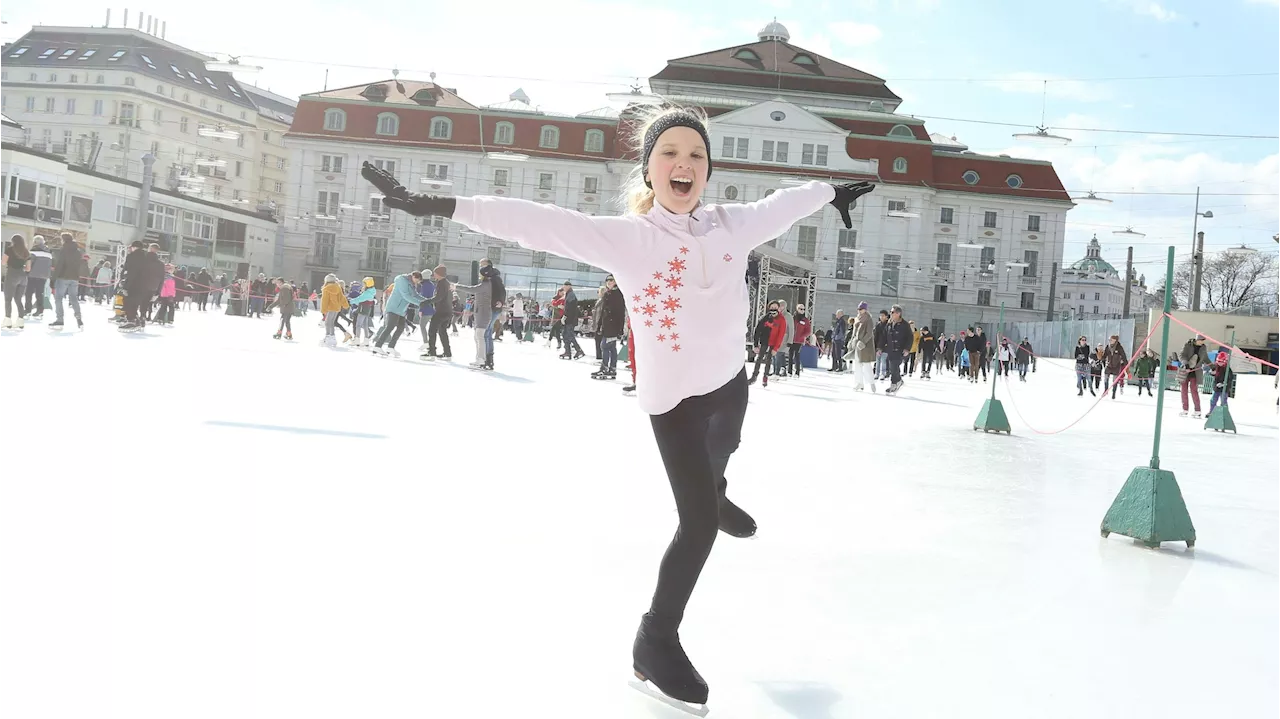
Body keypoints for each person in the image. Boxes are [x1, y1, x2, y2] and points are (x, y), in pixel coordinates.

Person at [360, 104, 876, 708]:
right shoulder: (628, 240)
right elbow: (537, 220)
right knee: (698, 527)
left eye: (696, 156)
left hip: (730, 383)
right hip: (675, 401)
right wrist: (437, 205)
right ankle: (654, 643)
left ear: (708, 171)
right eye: (670, 154)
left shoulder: (733, 225)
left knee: (726, 450)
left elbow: (782, 204)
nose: (684, 164)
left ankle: (716, 486)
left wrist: (831, 189)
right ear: (649, 168)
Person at [372, 271, 424, 359]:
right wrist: (420, 304)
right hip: (394, 308)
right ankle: (377, 346)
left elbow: (415, 295)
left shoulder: (411, 284)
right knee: (389, 327)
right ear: (414, 276)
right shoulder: (402, 280)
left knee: (400, 328)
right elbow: (406, 296)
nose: (417, 282)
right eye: (418, 280)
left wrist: (426, 301)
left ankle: (391, 347)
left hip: (401, 310)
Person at [594, 274, 626, 380]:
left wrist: (620, 329)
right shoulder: (608, 294)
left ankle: (605, 368)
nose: (609, 282)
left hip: (612, 326)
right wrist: (599, 326)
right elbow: (603, 312)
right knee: (611, 347)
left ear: (616, 282)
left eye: (611, 280)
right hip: (606, 325)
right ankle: (612, 369)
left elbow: (621, 313)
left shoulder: (617, 295)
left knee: (605, 346)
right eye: (607, 280)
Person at [50, 234, 84, 330]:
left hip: (63, 277)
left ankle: (60, 320)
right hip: (74, 278)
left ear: (63, 240)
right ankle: (79, 319)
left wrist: (53, 279)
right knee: (74, 299)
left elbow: (59, 265)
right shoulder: (78, 252)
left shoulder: (64, 250)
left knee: (58, 298)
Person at [749, 301, 787, 387]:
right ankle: (754, 376)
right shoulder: (766, 317)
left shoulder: (781, 319)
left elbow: (781, 334)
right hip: (764, 342)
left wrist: (776, 348)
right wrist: (755, 344)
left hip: (773, 343)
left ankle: (765, 377)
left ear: (778, 308)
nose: (773, 309)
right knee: (759, 359)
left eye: (775, 307)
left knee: (768, 361)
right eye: (772, 307)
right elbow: (758, 330)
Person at [424, 265, 454, 359]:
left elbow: (439, 297)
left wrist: (428, 301)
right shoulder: (447, 283)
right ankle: (447, 352)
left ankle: (432, 352)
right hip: (448, 311)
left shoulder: (441, 283)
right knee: (442, 332)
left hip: (441, 311)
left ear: (439, 274)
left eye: (435, 273)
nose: (434, 275)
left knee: (432, 331)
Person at [3, 234, 31, 328]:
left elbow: (3, 262)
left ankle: (8, 320)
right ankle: (20, 321)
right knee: (18, 299)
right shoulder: (26, 252)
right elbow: (28, 269)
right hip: (23, 277)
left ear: (13, 241)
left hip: (12, 275)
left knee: (8, 299)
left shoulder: (9, 250)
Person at [1179, 334, 1210, 418]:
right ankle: (1185, 409)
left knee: (1194, 391)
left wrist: (1213, 367)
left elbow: (1206, 358)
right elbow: (1182, 355)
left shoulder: (1203, 348)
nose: (1202, 342)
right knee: (1184, 390)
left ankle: (1197, 410)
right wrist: (1186, 364)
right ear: (1197, 340)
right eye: (1201, 340)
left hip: (1196, 372)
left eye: (1203, 340)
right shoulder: (1188, 345)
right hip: (1186, 370)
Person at [848, 302, 876, 392]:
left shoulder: (868, 319)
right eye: (858, 309)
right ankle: (859, 383)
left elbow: (869, 333)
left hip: (865, 346)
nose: (859, 311)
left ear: (865, 309)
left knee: (867, 365)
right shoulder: (857, 319)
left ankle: (871, 382)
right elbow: (854, 332)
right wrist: (851, 341)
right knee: (857, 364)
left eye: (861, 309)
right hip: (857, 344)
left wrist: (863, 341)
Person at [884, 305, 911, 394]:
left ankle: (894, 384)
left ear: (898, 313)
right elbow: (885, 336)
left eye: (892, 312)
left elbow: (910, 337)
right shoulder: (889, 323)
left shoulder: (905, 325)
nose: (891, 314)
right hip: (891, 349)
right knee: (892, 367)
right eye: (890, 312)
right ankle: (898, 381)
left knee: (894, 366)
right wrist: (880, 347)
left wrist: (907, 349)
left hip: (900, 349)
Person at [25, 236, 53, 320]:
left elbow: (29, 263)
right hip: (44, 276)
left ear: (35, 242)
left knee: (29, 293)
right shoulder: (49, 253)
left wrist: (26, 271)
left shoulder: (33, 251)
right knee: (40, 293)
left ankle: (28, 310)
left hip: (33, 275)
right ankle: (40, 311)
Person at [319, 274, 349, 347]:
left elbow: (324, 300)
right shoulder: (337, 287)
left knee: (327, 323)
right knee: (331, 322)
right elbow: (342, 297)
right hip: (337, 308)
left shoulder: (326, 288)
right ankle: (332, 338)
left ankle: (329, 337)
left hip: (330, 308)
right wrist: (345, 305)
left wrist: (323, 310)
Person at [559, 281, 585, 359]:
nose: (563, 288)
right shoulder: (569, 294)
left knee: (569, 335)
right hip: (570, 318)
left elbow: (570, 308)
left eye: (564, 286)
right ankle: (568, 352)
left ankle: (578, 350)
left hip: (570, 319)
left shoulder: (571, 295)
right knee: (565, 335)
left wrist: (565, 316)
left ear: (568, 286)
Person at [787, 303, 812, 376]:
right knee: (790, 355)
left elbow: (808, 331)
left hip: (799, 341)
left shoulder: (805, 320)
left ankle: (797, 372)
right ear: (797, 309)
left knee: (797, 355)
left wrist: (802, 336)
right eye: (800, 309)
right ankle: (789, 371)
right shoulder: (792, 318)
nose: (802, 310)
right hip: (791, 339)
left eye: (803, 309)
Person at [1103, 335, 1129, 399]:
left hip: (1116, 366)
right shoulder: (1108, 347)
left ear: (1115, 340)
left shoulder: (1119, 347)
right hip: (1108, 365)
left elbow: (1123, 356)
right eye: (1109, 339)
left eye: (1111, 339)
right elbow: (1104, 355)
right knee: (1106, 378)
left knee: (1115, 380)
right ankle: (1106, 390)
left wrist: (1126, 364)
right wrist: (1101, 358)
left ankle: (1113, 393)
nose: (1110, 341)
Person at [873, 309, 889, 380]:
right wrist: (875, 346)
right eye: (880, 316)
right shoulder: (878, 325)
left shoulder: (889, 325)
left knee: (883, 361)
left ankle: (883, 374)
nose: (881, 317)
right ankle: (876, 373)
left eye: (883, 316)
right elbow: (875, 336)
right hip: (878, 346)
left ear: (886, 317)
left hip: (885, 346)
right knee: (878, 360)